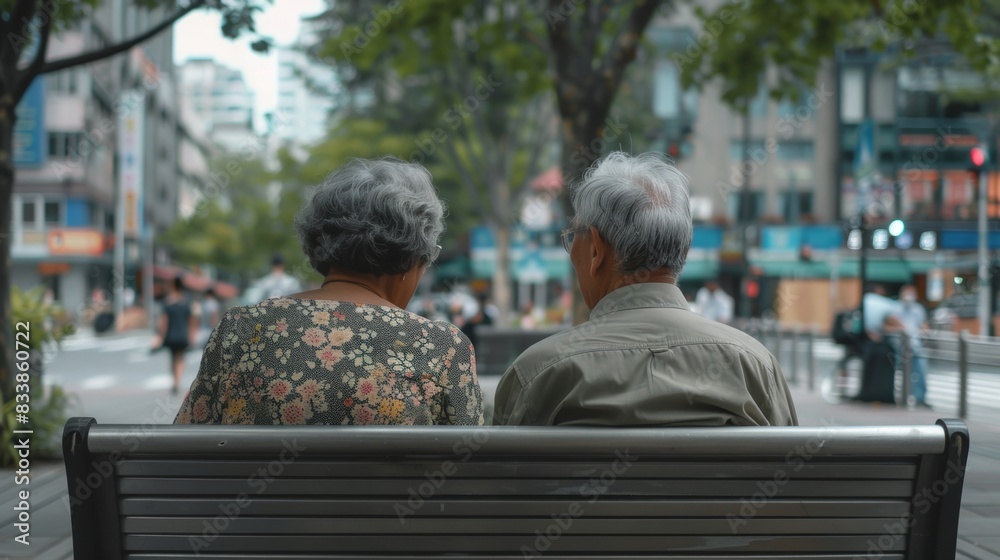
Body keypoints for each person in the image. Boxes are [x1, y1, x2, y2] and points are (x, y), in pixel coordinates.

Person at [493, 152, 797, 426]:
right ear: (685, 248)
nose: (571, 252)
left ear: (597, 249)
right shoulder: (754, 367)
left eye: (574, 237)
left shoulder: (540, 374)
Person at [175, 157, 484, 426]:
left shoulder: (239, 330)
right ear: (414, 258)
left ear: (317, 244)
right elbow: (469, 468)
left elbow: (188, 442)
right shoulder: (442, 347)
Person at [155, 276, 198, 396]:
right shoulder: (187, 302)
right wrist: (192, 336)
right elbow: (192, 320)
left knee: (173, 358)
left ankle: (175, 381)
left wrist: (160, 337)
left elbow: (164, 322)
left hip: (171, 334)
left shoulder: (168, 302)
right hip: (183, 334)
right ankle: (178, 381)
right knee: (180, 358)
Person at [894, 285, 931, 408]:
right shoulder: (895, 308)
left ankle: (920, 398)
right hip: (899, 345)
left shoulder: (918, 309)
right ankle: (901, 396)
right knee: (900, 372)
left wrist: (924, 331)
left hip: (915, 345)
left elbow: (923, 325)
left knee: (921, 370)